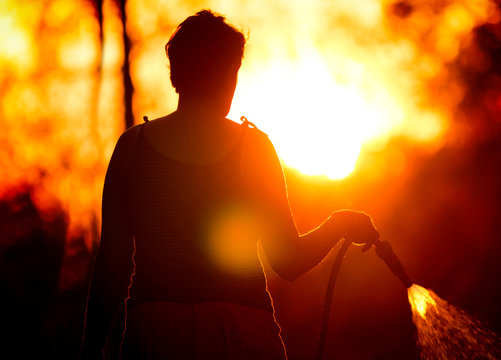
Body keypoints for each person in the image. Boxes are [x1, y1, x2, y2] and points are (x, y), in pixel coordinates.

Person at [81, 9, 380, 360]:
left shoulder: (132, 147)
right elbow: (287, 260)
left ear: (175, 74)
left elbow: (111, 266)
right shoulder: (253, 148)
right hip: (241, 332)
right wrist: (339, 224)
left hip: (155, 335)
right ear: (229, 76)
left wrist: (90, 351)